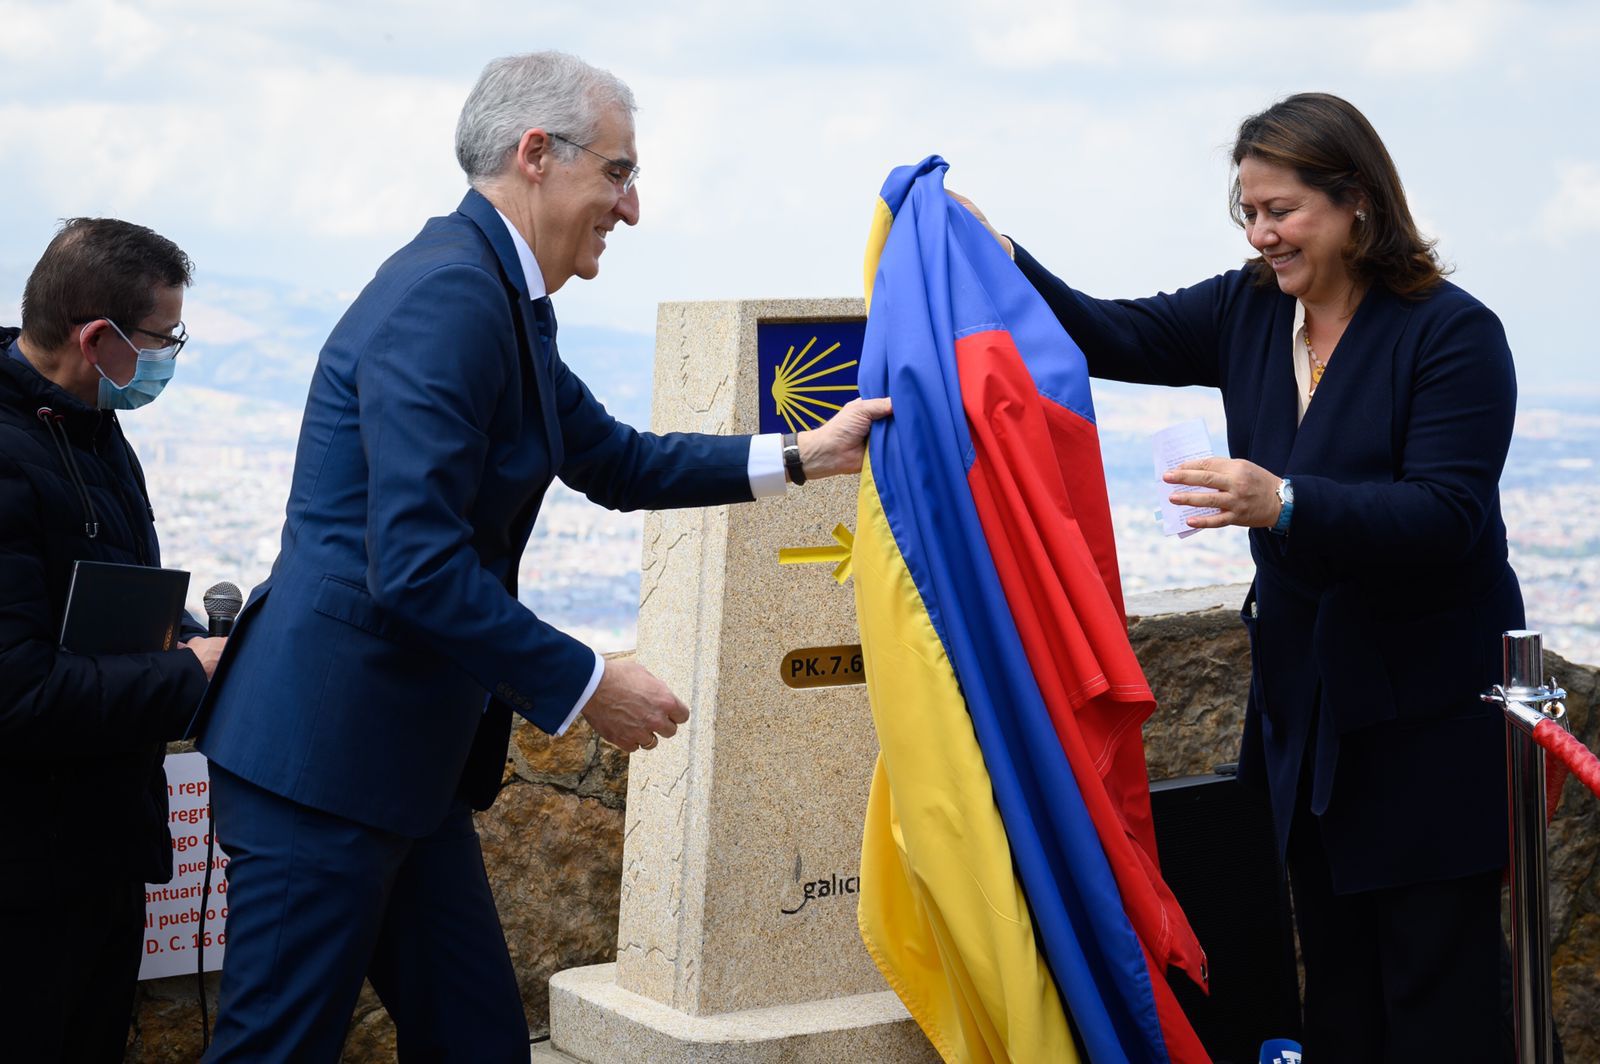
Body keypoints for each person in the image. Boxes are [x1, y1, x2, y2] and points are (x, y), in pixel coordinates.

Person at [192, 51, 888, 1062]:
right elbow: (417, 563)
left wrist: (806, 454)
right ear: (535, 155)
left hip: (400, 767)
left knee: (478, 1039)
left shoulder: (498, 296)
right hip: (326, 761)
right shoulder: (447, 299)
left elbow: (612, 457)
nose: (632, 205)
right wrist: (585, 679)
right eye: (616, 172)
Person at [957, 93, 1522, 1062]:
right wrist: (996, 258)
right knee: (1337, 996)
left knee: (1436, 1002)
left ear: (1355, 203)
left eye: (1281, 210)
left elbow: (1445, 514)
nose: (1261, 233)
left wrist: (1287, 501)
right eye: (1248, 212)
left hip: (1426, 733)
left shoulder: (1451, 335)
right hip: (1309, 733)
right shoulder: (1248, 312)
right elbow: (1106, 333)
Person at [0, 218, 227, 1061]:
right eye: (164, 338)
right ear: (96, 339)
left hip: (99, 847)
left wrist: (194, 637)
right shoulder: (12, 455)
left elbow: (118, 595)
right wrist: (188, 674)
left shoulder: (91, 427)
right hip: (24, 874)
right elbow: (16, 693)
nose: (168, 357)